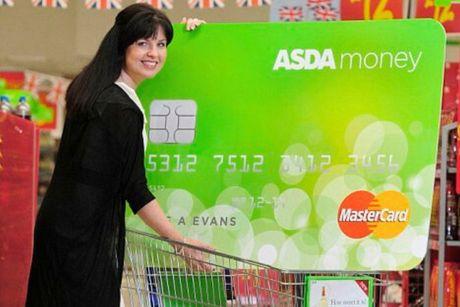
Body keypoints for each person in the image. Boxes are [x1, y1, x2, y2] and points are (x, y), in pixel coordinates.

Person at [26, 4, 208, 306]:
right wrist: (179, 242)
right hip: (85, 236)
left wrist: (198, 37)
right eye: (143, 43)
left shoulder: (93, 89)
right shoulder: (120, 108)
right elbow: (135, 189)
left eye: (161, 44)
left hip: (60, 226)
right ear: (123, 45)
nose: (154, 53)